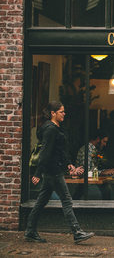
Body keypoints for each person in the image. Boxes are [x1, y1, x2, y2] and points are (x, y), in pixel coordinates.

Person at [25, 101, 94, 243]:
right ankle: (77, 232)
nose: (64, 113)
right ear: (53, 113)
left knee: (41, 202)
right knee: (67, 200)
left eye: (64, 111)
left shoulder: (55, 128)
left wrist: (68, 164)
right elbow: (45, 153)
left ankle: (30, 231)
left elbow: (60, 151)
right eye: (61, 111)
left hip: (53, 170)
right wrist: (38, 173)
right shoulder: (50, 130)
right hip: (53, 171)